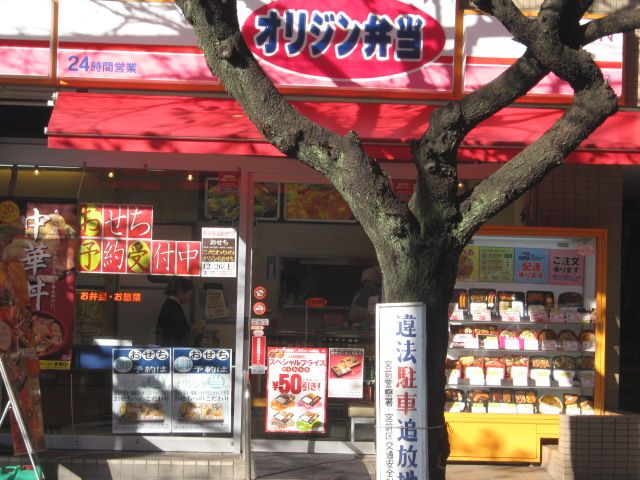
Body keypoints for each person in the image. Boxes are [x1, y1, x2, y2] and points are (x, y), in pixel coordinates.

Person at [155, 277, 194, 346]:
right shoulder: (173, 306)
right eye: (189, 294)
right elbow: (180, 329)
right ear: (181, 292)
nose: (190, 298)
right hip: (171, 346)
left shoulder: (170, 303)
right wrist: (193, 328)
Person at [348, 266, 382, 331]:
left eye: (370, 282)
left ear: (376, 282)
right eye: (365, 282)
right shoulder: (360, 294)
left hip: (377, 327)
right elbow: (352, 314)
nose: (367, 284)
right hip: (361, 327)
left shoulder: (381, 294)